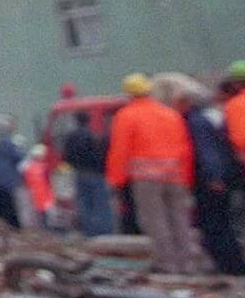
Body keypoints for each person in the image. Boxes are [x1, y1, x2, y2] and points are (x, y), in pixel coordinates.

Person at [105, 73, 203, 275]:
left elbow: (121, 150)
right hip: (175, 175)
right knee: (179, 219)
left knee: (155, 221)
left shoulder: (126, 116)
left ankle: (167, 265)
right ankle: (187, 264)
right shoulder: (170, 114)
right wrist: (186, 177)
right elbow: (185, 148)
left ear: (129, 94)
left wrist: (116, 180)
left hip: (147, 178)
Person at [157, 74, 245, 275]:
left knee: (215, 225)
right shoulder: (204, 118)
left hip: (208, 181)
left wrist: (214, 177)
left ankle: (231, 266)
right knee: (217, 224)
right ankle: (228, 264)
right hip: (212, 178)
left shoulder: (194, 122)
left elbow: (207, 152)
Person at [61, 109, 115, 237]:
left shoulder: (70, 137)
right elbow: (100, 155)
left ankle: (88, 231)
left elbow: (66, 156)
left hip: (79, 173)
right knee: (101, 203)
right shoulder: (92, 136)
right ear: (88, 121)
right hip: (96, 174)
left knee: (84, 203)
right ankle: (105, 231)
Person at [21, 143, 55, 231]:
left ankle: (37, 228)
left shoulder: (27, 166)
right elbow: (49, 180)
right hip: (43, 191)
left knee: (35, 212)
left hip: (32, 192)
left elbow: (24, 180)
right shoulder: (44, 167)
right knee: (44, 211)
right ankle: (45, 227)